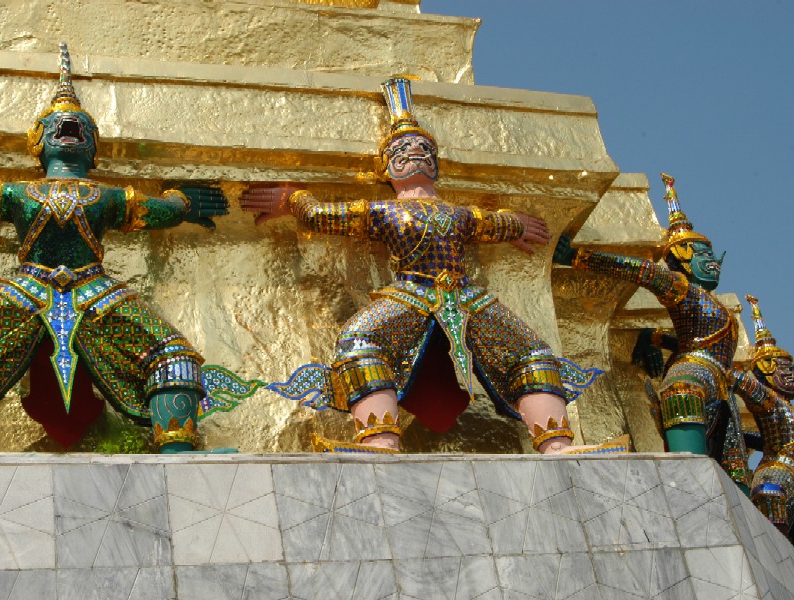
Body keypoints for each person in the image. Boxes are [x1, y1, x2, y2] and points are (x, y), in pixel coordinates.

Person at [242, 76, 621, 454]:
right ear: (386, 167)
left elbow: (489, 223)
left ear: (436, 163)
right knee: (359, 341)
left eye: (423, 148)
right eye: (402, 150)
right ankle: (380, 439)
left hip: (467, 295)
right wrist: (295, 200)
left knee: (531, 351)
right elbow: (322, 217)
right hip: (411, 293)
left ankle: (556, 443)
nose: (414, 152)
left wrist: (517, 225)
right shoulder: (384, 212)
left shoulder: (460, 214)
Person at [0, 44, 228, 453]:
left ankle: (178, 449)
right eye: (56, 124)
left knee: (173, 353)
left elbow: (155, 213)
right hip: (28, 287)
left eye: (79, 125)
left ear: (93, 146)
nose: (67, 126)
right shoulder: (18, 193)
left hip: (94, 289)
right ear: (38, 142)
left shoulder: (108, 196)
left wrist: (183, 203)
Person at [554, 175, 739, 464]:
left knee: (733, 461)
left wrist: (655, 340)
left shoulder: (714, 305)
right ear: (683, 258)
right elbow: (642, 271)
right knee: (683, 395)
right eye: (703, 253)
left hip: (721, 383)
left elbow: (698, 336)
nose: (713, 259)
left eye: (712, 252)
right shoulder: (682, 288)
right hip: (694, 372)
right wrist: (579, 257)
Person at [731, 296, 794, 532]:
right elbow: (740, 382)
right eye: (785, 369)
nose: (791, 374)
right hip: (777, 471)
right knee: (770, 492)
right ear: (766, 372)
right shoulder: (770, 401)